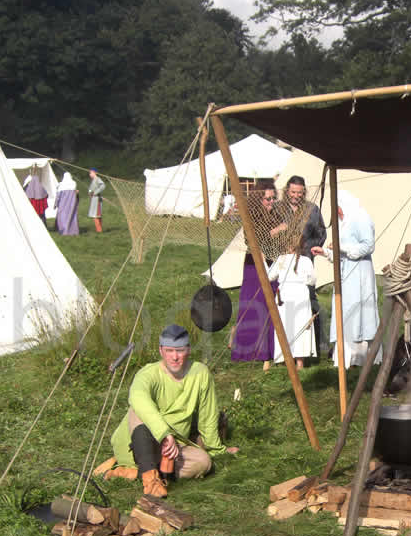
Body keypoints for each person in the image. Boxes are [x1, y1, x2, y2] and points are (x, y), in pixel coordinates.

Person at [103, 324, 239, 497]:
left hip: (173, 446)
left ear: (188, 350)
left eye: (180, 350)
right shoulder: (148, 374)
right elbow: (137, 396)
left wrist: (216, 449)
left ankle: (133, 473)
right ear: (161, 351)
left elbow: (208, 413)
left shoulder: (199, 373)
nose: (174, 357)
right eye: (169, 351)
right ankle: (149, 479)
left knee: (204, 462)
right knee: (139, 409)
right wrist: (164, 433)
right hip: (138, 443)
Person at [311, 189, 379, 367]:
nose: (338, 212)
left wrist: (343, 247)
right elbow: (340, 253)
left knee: (359, 310)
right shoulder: (343, 222)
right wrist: (325, 252)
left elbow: (368, 245)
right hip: (345, 275)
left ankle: (363, 357)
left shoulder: (360, 217)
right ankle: (346, 357)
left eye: (339, 207)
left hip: (360, 274)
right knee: (345, 310)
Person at [231, 181, 278, 370]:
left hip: (272, 265)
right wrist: (276, 231)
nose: (271, 202)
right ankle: (249, 350)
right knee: (253, 307)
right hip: (254, 265)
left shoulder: (275, 215)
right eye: (267, 198)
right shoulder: (250, 216)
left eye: (273, 198)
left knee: (270, 306)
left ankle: (270, 350)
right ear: (259, 199)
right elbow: (253, 240)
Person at [282, 175, 327, 356]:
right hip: (284, 262)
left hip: (305, 263)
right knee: (283, 302)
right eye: (293, 192)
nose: (296, 196)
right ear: (287, 191)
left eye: (299, 193)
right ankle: (285, 344)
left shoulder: (312, 210)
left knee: (309, 300)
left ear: (304, 192)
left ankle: (313, 344)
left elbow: (321, 233)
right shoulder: (279, 209)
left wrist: (307, 248)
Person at [268, 235, 317, 369]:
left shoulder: (281, 259)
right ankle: (299, 362)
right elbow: (312, 280)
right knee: (300, 326)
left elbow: (270, 276)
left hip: (286, 293)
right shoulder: (306, 261)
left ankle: (286, 359)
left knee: (286, 326)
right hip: (300, 294)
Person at [88, 168, 105, 233]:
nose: (90, 174)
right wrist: (90, 192)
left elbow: (103, 186)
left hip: (97, 199)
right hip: (94, 199)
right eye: (89, 173)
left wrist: (95, 192)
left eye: (91, 173)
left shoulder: (97, 179)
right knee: (96, 215)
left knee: (96, 215)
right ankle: (99, 230)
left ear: (95, 173)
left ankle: (99, 230)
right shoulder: (93, 180)